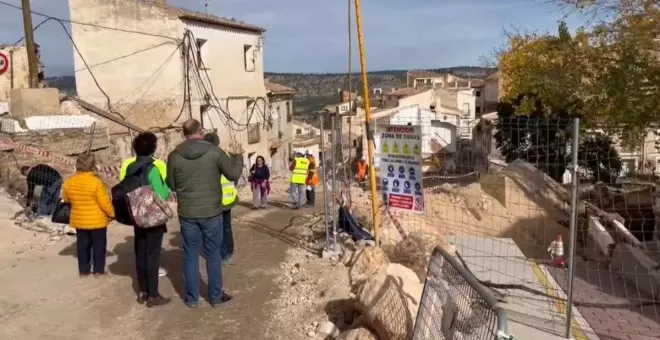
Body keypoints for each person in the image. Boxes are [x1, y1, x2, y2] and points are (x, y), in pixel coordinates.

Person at [166, 119, 243, 308]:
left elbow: (171, 184)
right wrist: (238, 156)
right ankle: (215, 297)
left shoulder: (174, 156)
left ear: (184, 134)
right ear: (200, 131)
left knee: (190, 255)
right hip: (212, 212)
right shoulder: (214, 152)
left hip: (188, 213)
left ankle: (192, 299)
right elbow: (233, 174)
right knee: (213, 254)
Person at [124, 132, 172, 307]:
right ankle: (153, 294)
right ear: (153, 149)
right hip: (151, 217)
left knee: (140, 253)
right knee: (152, 254)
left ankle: (142, 291)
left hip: (136, 216)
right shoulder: (153, 168)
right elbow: (162, 193)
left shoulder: (130, 167)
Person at [61, 153, 114, 277]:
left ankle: (84, 271)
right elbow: (104, 203)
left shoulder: (69, 182)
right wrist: (112, 213)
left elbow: (66, 199)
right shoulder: (96, 182)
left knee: (82, 246)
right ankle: (98, 270)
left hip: (79, 220)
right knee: (99, 246)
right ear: (93, 166)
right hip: (97, 221)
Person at [119, 148, 168, 279]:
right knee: (153, 250)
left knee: (140, 248)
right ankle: (153, 281)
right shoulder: (158, 164)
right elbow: (163, 192)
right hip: (152, 211)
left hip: (135, 211)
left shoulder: (127, 164)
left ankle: (142, 288)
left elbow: (122, 184)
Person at [202, 132, 239, 265]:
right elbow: (234, 175)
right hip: (228, 197)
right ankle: (229, 251)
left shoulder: (207, 157)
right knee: (227, 227)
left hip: (215, 199)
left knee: (217, 229)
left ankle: (222, 255)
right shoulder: (226, 155)